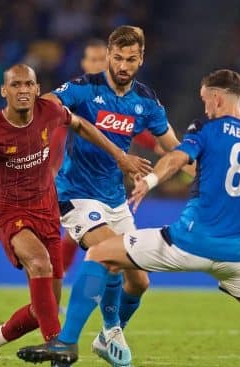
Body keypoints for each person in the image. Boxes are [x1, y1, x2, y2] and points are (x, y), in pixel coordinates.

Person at [17, 69, 240, 367]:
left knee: (101, 253)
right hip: (235, 255)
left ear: (216, 99)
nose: (205, 107)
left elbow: (178, 157)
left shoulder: (206, 130)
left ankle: (68, 342)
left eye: (205, 100)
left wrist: (150, 180)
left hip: (186, 243)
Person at [0, 64, 150, 367]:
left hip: (48, 213)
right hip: (10, 214)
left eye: (29, 85)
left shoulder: (49, 111)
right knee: (40, 264)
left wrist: (119, 156)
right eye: (16, 85)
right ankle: (60, 358)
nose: (23, 90)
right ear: (4, 91)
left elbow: (80, 125)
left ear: (37, 89)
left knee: (42, 309)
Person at [41, 25, 193, 367]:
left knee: (139, 280)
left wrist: (200, 173)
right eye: (118, 58)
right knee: (108, 251)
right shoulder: (83, 88)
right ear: (109, 56)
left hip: (114, 198)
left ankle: (109, 335)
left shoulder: (145, 101)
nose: (124, 65)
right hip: (77, 195)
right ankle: (88, 338)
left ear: (140, 61)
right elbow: (47, 104)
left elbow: (175, 148)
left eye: (131, 59)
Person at [50, 38, 165, 274]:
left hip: (109, 194)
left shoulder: (124, 100)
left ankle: (59, 295)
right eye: (92, 59)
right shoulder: (77, 95)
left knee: (101, 252)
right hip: (71, 187)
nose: (97, 64)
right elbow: (51, 136)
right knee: (100, 248)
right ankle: (52, 297)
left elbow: (139, 132)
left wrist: (161, 151)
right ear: (83, 62)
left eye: (102, 60)